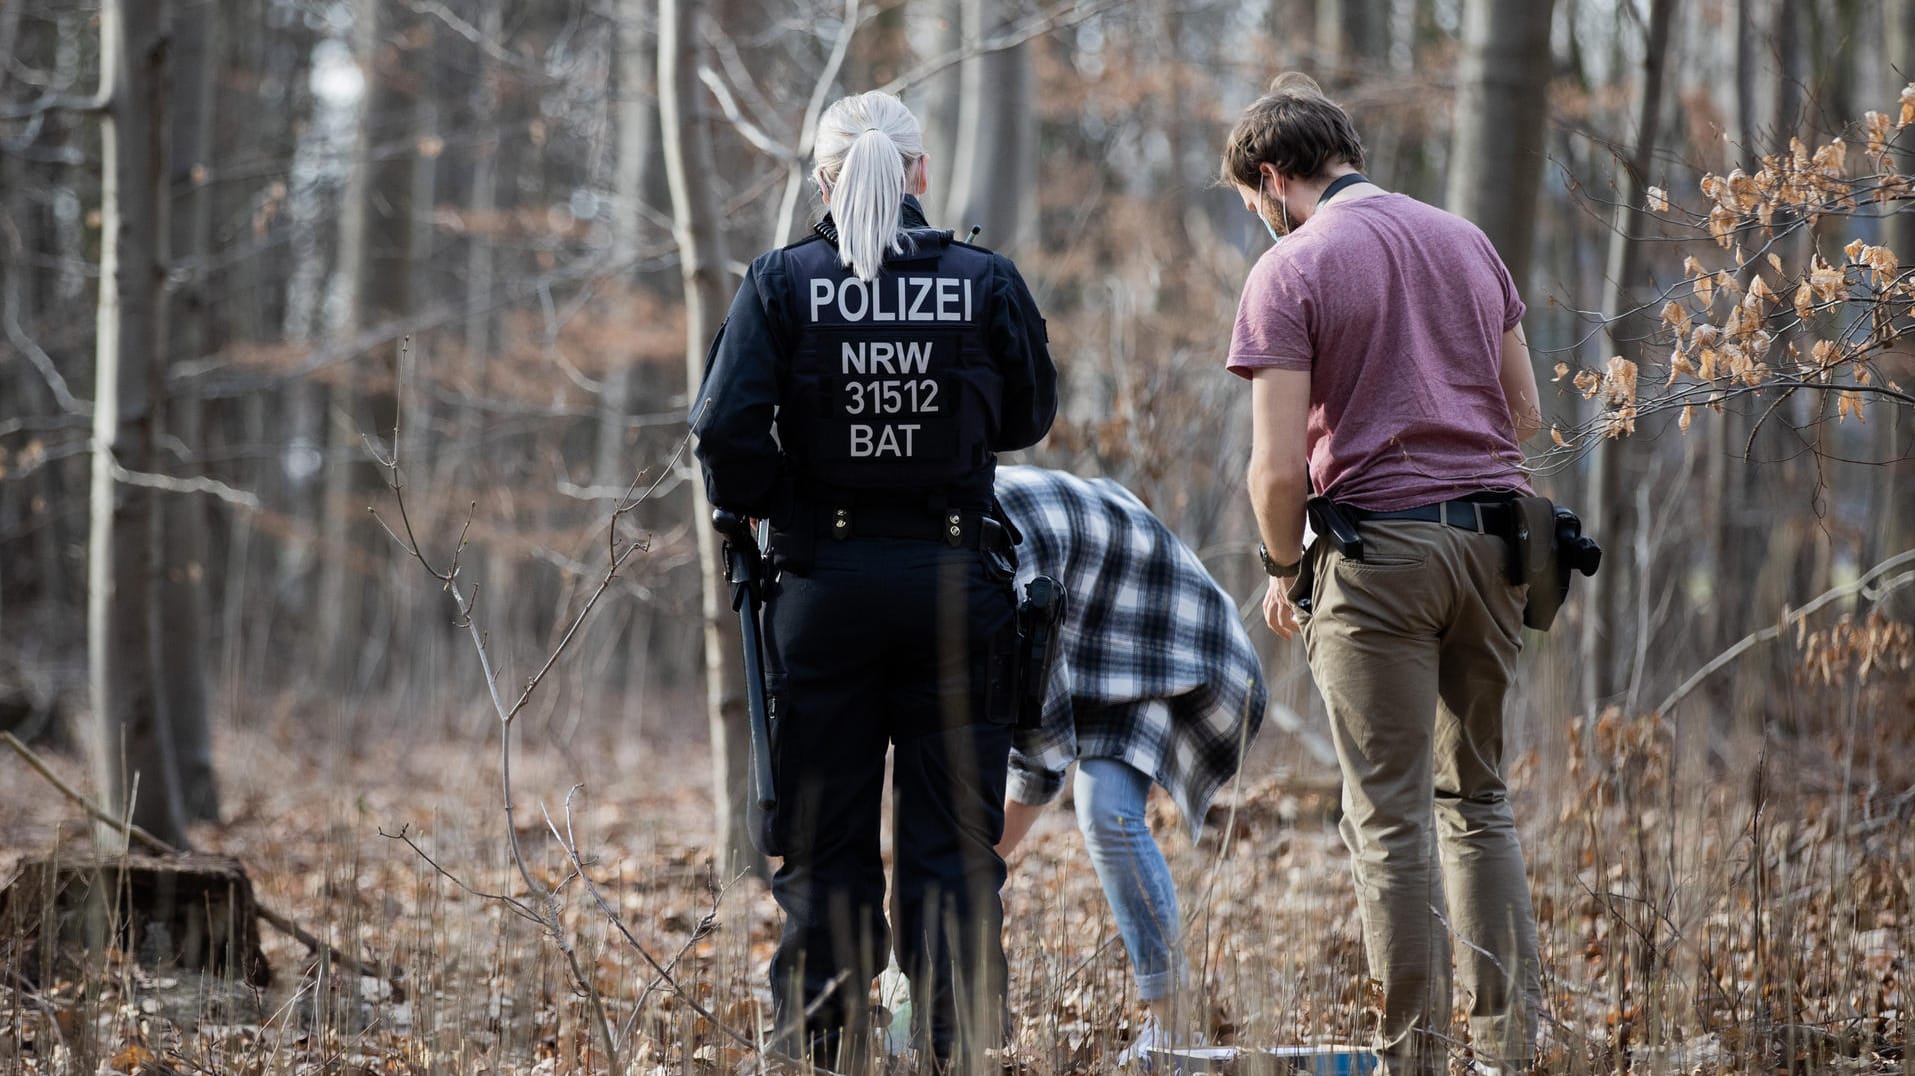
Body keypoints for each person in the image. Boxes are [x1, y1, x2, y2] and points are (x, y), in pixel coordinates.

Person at [690, 89, 1057, 1072]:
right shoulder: (984, 280)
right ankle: (948, 1049)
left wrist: (790, 498)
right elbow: (1028, 415)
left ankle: (824, 1052)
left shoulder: (779, 283)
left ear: (823, 178)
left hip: (820, 586)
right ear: (919, 174)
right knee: (952, 848)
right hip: (952, 587)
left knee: (822, 847)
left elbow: (721, 433)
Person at [1218, 73, 1546, 1075]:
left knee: (1390, 814)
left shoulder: (1293, 267)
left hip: (1376, 556)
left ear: (1272, 176)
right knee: (1478, 800)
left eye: (1250, 203)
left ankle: (1412, 1059)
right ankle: (1507, 1049)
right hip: (1495, 544)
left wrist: (1284, 566)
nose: (1258, 220)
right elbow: (1522, 414)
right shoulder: (1463, 239)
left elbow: (1274, 468)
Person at [991, 465, 1267, 1063]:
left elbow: (1038, 760)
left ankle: (1177, 1028)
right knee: (1096, 805)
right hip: (1099, 635)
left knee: (1106, 809)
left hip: (1169, 638)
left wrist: (978, 864)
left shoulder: (1005, 556)